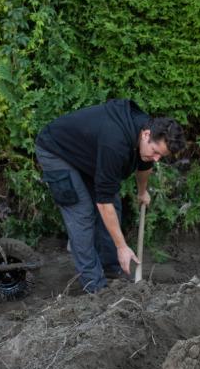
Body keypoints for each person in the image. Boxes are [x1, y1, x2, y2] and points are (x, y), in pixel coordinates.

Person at [35, 100, 185, 293]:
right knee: (82, 214)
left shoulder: (147, 131)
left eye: (161, 156)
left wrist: (142, 191)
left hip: (87, 156)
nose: (156, 159)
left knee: (114, 204)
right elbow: (103, 202)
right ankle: (94, 286)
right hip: (56, 152)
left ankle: (111, 267)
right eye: (156, 152)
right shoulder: (115, 143)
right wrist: (122, 246)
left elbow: (145, 164)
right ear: (146, 135)